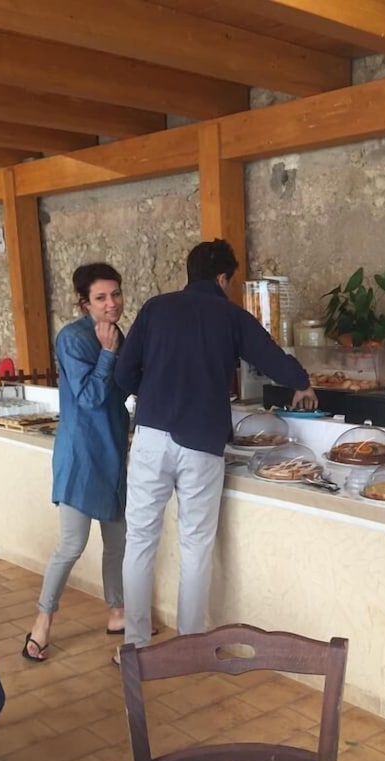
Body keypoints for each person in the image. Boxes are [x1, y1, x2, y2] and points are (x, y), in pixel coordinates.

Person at [114, 238, 317, 651]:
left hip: (151, 436)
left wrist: (153, 393)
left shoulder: (155, 308)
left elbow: (122, 375)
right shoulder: (231, 315)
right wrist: (302, 382)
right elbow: (270, 356)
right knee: (195, 544)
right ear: (223, 278)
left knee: (140, 540)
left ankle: (135, 648)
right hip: (201, 443)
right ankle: (190, 648)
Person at [22, 263, 130, 661]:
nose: (111, 303)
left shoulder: (117, 334)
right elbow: (89, 398)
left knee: (117, 542)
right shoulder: (72, 338)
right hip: (81, 455)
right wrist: (108, 354)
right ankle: (42, 621)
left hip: (113, 451)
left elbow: (124, 389)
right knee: (71, 544)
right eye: (101, 297)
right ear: (85, 303)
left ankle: (118, 612)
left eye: (115, 294)